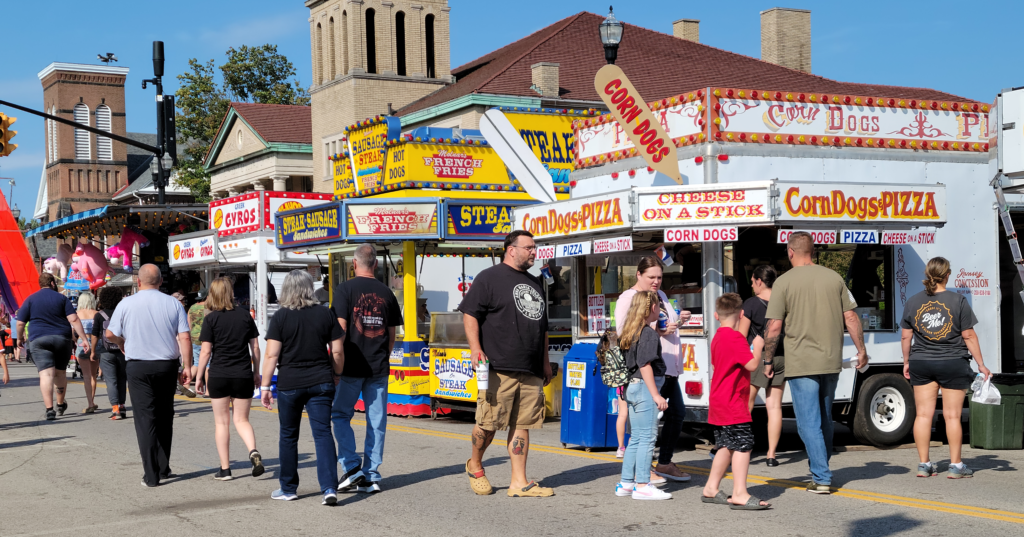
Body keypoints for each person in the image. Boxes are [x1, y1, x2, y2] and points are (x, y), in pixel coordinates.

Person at [762, 232, 867, 494]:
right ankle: (821, 467)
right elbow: (851, 317)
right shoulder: (834, 278)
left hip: (801, 361)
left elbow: (774, 327)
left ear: (790, 251)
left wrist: (768, 359)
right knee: (825, 418)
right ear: (813, 251)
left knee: (808, 421)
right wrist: (861, 350)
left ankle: (821, 476)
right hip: (831, 360)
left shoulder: (784, 282)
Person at [460, 230, 554, 498]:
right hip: (498, 365)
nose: (534, 252)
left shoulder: (535, 283)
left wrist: (545, 362)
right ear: (511, 249)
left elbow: (543, 328)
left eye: (535, 247)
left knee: (522, 424)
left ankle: (519, 482)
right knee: (489, 422)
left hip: (531, 366)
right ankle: (475, 464)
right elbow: (470, 314)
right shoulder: (488, 278)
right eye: (529, 247)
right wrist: (475, 348)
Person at [901, 257, 991, 479]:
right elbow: (968, 335)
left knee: (922, 414)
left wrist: (906, 361)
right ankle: (956, 466)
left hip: (921, 362)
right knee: (952, 416)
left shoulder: (913, 301)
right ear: (947, 274)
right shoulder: (958, 300)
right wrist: (981, 364)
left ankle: (924, 465)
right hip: (953, 362)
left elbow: (905, 336)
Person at [261, 270, 345, 505]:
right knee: (323, 433)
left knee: (288, 436)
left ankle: (288, 488)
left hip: (290, 383)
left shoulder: (281, 317)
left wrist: (266, 386)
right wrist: (336, 373)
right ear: (310, 288)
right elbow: (337, 351)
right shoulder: (326, 314)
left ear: (286, 290)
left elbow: (271, 355)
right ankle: (329, 488)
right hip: (321, 381)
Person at [106, 265, 193, 488]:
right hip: (166, 365)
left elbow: (110, 334)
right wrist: (188, 367)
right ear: (161, 281)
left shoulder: (126, 303)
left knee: (145, 419)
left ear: (139, 281)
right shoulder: (173, 303)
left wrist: (121, 342)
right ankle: (164, 467)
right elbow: (184, 338)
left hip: (138, 366)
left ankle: (151, 475)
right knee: (165, 415)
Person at [613, 256, 692, 482]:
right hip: (647, 370)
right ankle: (642, 472)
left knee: (676, 414)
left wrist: (680, 320)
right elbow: (625, 334)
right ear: (638, 275)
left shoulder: (661, 296)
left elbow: (665, 323)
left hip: (667, 367)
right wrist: (658, 330)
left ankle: (664, 463)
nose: (656, 282)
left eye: (659, 277)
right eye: (651, 277)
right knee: (645, 428)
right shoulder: (628, 298)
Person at [331, 244, 401, 494]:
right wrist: (382, 356)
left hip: (350, 366)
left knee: (340, 415)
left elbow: (338, 332)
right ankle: (371, 476)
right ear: (377, 265)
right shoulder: (387, 293)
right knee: (377, 422)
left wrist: (335, 369)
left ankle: (352, 468)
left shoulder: (344, 290)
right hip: (378, 367)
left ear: (354, 263)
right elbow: (392, 336)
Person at [702, 293, 770, 509]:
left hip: (719, 400)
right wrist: (758, 347)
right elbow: (751, 365)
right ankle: (739, 492)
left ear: (716, 315)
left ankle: (711, 488)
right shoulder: (736, 338)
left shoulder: (718, 337)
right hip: (733, 401)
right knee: (743, 444)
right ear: (741, 314)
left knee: (725, 445)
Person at [195, 278, 264, 481]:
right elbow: (256, 348)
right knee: (242, 420)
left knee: (222, 423)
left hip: (219, 375)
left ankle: (225, 469)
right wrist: (256, 372)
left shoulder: (211, 319)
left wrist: (199, 377)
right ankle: (253, 451)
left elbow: (206, 352)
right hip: (242, 374)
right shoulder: (244, 316)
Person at [614, 291, 671, 501]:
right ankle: (643, 485)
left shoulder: (631, 331)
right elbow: (645, 364)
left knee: (636, 438)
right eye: (658, 305)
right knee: (647, 438)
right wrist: (656, 395)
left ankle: (627, 483)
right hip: (645, 388)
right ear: (651, 308)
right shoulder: (647, 333)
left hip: (633, 387)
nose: (660, 309)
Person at [17, 273, 90, 421]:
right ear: (52, 283)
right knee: (60, 373)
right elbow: (74, 319)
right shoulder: (62, 298)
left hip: (39, 339)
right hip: (61, 339)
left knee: (46, 374)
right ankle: (60, 403)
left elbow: (20, 323)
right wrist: (84, 338)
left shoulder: (30, 299)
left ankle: (50, 410)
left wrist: (19, 338)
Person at [738, 265, 786, 466]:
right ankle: (771, 454)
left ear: (759, 281)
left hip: (758, 357)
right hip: (782, 356)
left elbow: (741, 336)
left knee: (746, 404)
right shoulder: (783, 301)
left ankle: (742, 449)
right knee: (774, 406)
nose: (751, 285)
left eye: (752, 281)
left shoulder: (750, 304)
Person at [92, 286, 127, 420]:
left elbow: (95, 335)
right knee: (122, 379)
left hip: (105, 352)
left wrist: (93, 350)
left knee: (111, 381)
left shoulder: (100, 315)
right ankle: (122, 406)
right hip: (123, 350)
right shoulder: (123, 312)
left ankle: (115, 409)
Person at [75, 292, 100, 413]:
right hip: (96, 344)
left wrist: (76, 340)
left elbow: (71, 332)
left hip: (81, 343)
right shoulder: (97, 314)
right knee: (93, 375)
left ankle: (89, 402)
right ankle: (92, 401)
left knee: (85, 375)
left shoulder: (77, 314)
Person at [172, 291, 197, 398]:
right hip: (179, 339)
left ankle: (180, 385)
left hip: (177, 339)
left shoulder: (185, 309)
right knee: (180, 363)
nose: (183, 302)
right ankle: (180, 385)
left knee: (179, 364)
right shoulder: (178, 310)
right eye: (181, 300)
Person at [187, 289, 208, 396]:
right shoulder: (208, 307)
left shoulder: (192, 308)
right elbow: (209, 322)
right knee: (209, 364)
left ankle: (186, 384)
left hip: (194, 337)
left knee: (196, 363)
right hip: (205, 338)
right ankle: (208, 390)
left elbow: (189, 324)